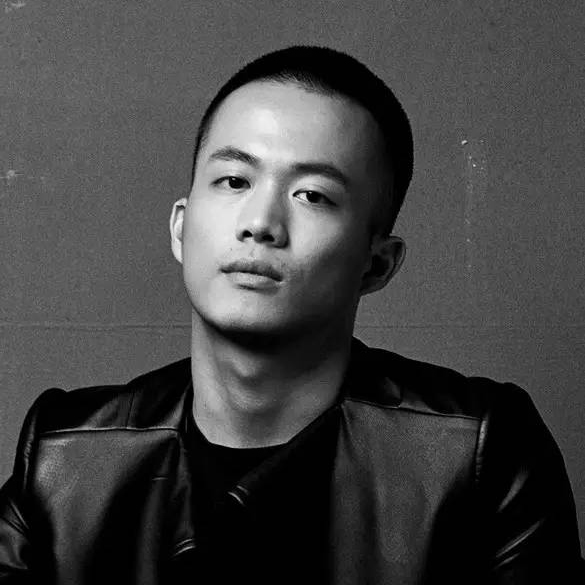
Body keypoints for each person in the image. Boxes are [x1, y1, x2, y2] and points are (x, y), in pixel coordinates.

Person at [0, 45, 582, 585]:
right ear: (180, 226)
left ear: (377, 263)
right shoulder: (64, 459)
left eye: (313, 196)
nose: (260, 223)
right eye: (234, 180)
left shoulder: (478, 456)